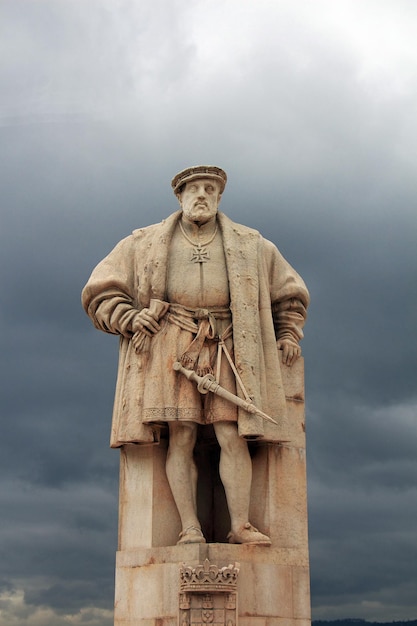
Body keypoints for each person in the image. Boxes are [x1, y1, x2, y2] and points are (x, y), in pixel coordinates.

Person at [82, 165, 309, 546]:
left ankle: (239, 525)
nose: (201, 195)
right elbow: (99, 290)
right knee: (181, 435)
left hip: (232, 343)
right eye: (194, 189)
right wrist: (130, 316)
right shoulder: (144, 242)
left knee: (231, 433)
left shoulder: (252, 244)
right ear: (180, 196)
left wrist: (287, 333)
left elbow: (289, 293)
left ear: (219, 197)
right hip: (171, 341)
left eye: (210, 188)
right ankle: (189, 527)